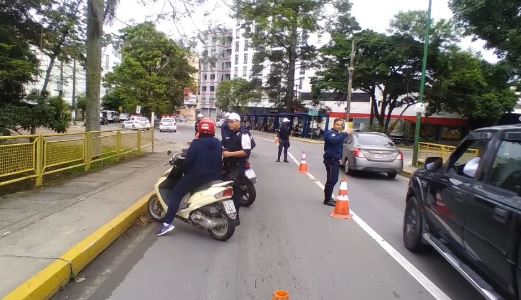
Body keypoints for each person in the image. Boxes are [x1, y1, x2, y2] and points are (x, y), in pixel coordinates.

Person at [158, 118, 222, 236]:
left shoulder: (196, 143)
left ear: (199, 129)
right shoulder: (218, 142)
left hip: (198, 177)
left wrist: (184, 171)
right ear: (213, 129)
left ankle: (167, 224)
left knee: (176, 193)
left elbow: (188, 163)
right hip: (216, 176)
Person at [222, 113, 252, 223]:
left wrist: (229, 154)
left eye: (232, 122)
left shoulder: (243, 134)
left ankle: (235, 217)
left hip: (237, 166)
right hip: (228, 165)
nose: (229, 124)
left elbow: (246, 151)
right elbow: (224, 145)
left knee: (235, 191)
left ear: (238, 122)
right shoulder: (230, 133)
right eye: (228, 122)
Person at [323, 119, 350, 207]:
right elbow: (334, 141)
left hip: (335, 160)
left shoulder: (338, 134)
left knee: (333, 179)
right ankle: (327, 200)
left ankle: (329, 197)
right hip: (330, 160)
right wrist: (345, 133)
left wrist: (339, 158)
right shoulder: (330, 133)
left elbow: (338, 147)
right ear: (334, 124)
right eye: (337, 124)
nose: (339, 126)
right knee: (331, 180)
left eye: (340, 125)